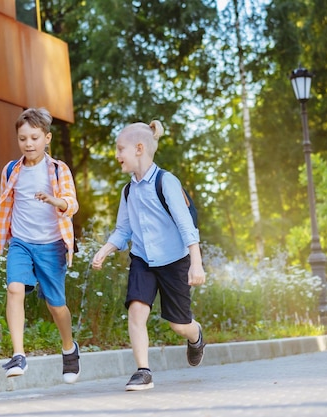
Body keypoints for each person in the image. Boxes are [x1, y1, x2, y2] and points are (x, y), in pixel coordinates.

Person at [91, 120, 206, 391]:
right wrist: (105, 250)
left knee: (179, 324)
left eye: (121, 149)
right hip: (142, 260)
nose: (117, 155)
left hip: (174, 261)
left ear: (139, 148)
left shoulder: (166, 182)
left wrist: (196, 264)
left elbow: (185, 225)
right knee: (136, 311)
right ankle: (143, 371)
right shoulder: (128, 190)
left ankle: (196, 335)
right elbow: (123, 229)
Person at [0, 107, 81, 384]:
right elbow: (8, 203)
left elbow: (71, 204)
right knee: (14, 289)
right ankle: (18, 354)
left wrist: (53, 200)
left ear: (47, 138)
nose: (29, 144)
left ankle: (69, 349)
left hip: (51, 245)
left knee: (56, 305)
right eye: (23, 139)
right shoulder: (11, 170)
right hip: (21, 242)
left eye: (35, 138)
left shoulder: (59, 170)